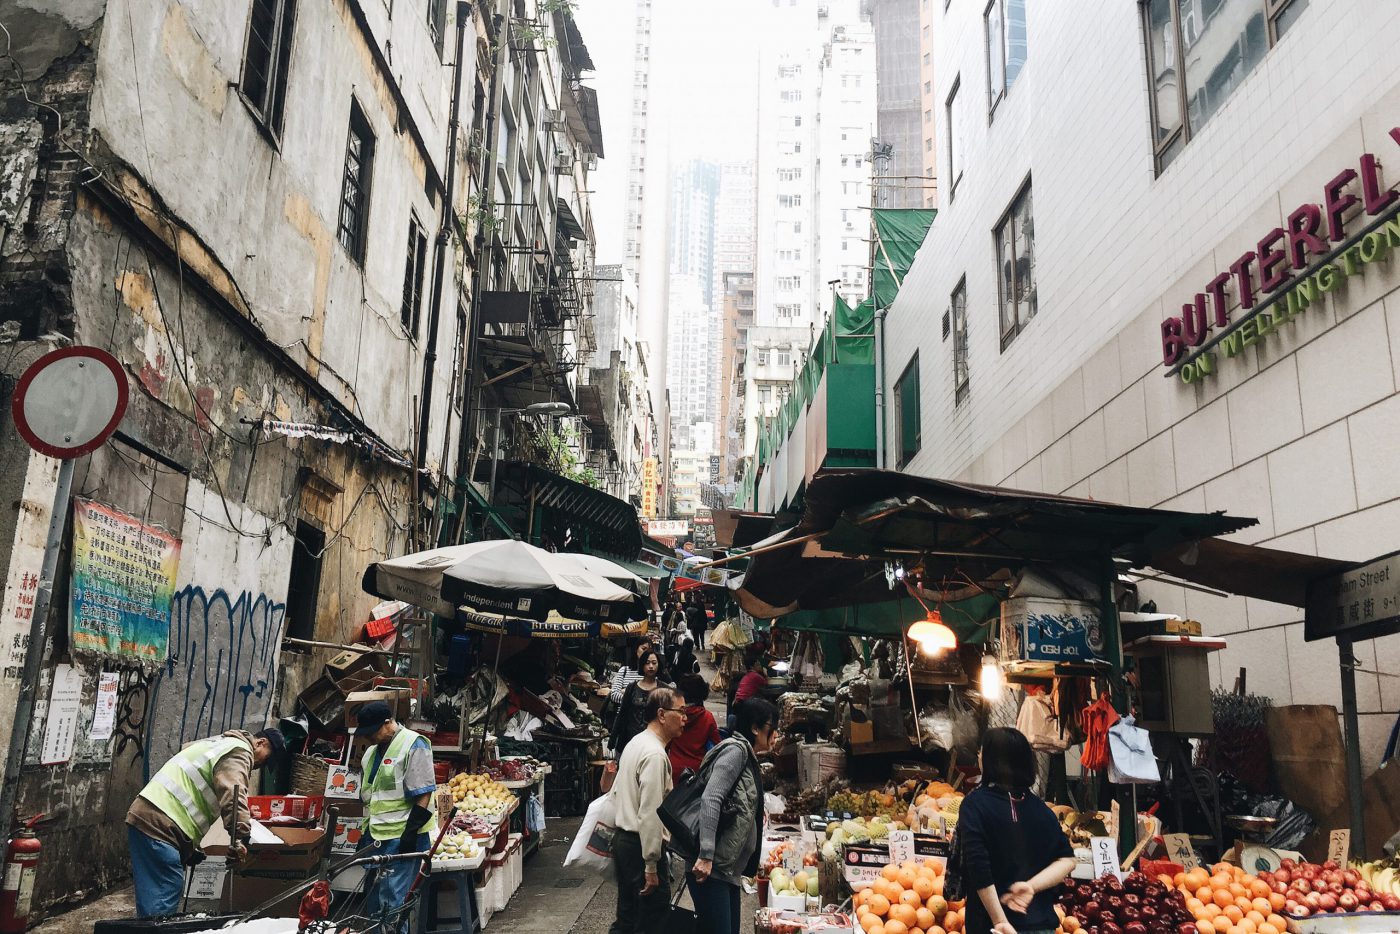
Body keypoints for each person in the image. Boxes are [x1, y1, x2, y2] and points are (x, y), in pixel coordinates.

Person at [125, 727, 285, 917]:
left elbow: (192, 791)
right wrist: (242, 837)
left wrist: (187, 849)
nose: (261, 765)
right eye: (267, 759)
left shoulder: (219, 743)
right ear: (260, 743)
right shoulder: (240, 751)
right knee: (165, 892)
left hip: (150, 816)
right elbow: (234, 794)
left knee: (155, 895)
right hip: (159, 823)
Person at [950, 727, 1076, 934]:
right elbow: (1067, 860)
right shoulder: (1041, 809)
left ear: (993, 760)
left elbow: (979, 867)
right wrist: (1031, 887)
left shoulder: (974, 804)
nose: (979, 755)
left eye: (982, 751)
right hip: (1041, 925)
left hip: (994, 927)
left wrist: (1000, 921)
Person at [687, 697, 777, 934]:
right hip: (712, 868)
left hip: (726, 870)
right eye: (771, 728)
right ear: (755, 728)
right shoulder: (736, 752)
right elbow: (711, 797)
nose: (775, 734)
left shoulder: (747, 754)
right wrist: (706, 854)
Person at [610, 687, 687, 934]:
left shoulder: (637, 742)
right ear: (662, 714)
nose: (685, 718)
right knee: (650, 921)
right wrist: (651, 864)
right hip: (639, 846)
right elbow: (651, 813)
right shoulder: (654, 754)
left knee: (628, 919)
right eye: (681, 712)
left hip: (627, 843)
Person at [355, 701, 439, 925]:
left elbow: (424, 792)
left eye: (372, 732)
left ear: (387, 723)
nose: (368, 738)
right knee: (373, 904)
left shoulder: (414, 743)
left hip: (402, 838)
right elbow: (371, 796)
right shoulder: (371, 753)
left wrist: (410, 832)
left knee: (392, 906)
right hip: (375, 838)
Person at [608, 650, 665, 759]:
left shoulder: (663, 689)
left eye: (654, 663)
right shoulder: (632, 688)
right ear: (642, 665)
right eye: (647, 663)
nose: (651, 666)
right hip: (630, 741)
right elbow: (622, 715)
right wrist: (612, 740)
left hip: (654, 744)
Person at [668, 674, 721, 782]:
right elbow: (717, 746)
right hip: (696, 772)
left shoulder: (673, 714)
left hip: (673, 769)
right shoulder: (707, 717)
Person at [610, 638, 656, 704]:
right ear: (636, 649)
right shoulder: (624, 671)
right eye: (643, 649)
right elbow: (614, 695)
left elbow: (653, 700)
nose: (646, 653)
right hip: (622, 713)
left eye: (649, 651)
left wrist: (626, 692)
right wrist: (637, 700)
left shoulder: (652, 674)